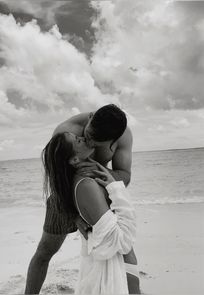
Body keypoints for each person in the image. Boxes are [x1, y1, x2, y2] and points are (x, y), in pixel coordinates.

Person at [25, 104, 140, 294]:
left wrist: (101, 171)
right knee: (45, 251)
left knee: (124, 251)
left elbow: (125, 176)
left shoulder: (124, 136)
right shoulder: (66, 132)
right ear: (91, 117)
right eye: (87, 137)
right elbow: (57, 179)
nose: (90, 143)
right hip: (63, 197)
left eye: (97, 143)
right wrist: (74, 214)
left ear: (113, 140)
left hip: (95, 197)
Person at [42, 132, 136, 294]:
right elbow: (121, 240)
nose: (82, 137)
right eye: (77, 140)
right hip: (110, 273)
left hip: (106, 265)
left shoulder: (85, 179)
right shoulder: (86, 185)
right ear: (75, 160)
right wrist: (115, 188)